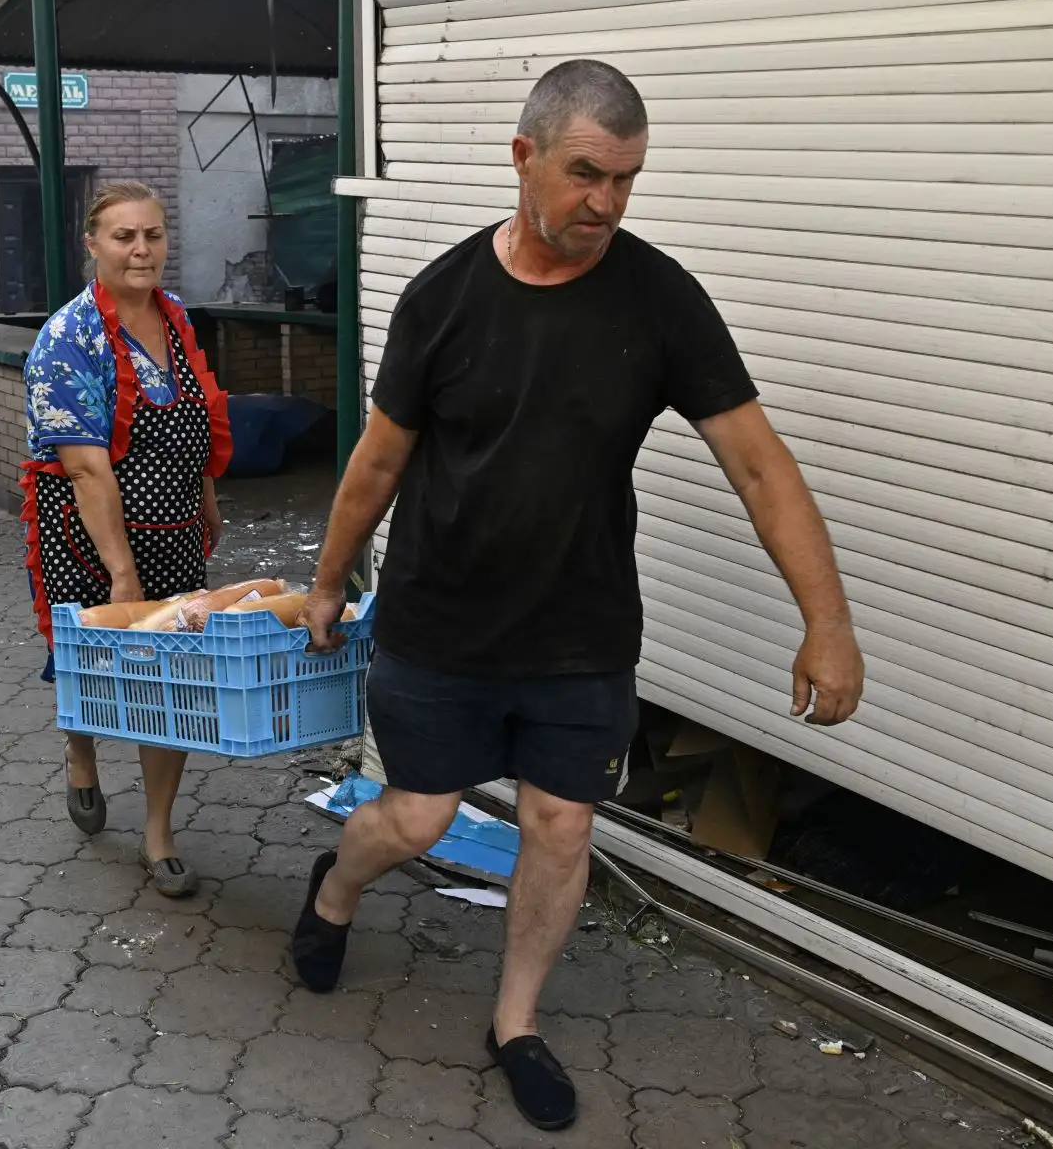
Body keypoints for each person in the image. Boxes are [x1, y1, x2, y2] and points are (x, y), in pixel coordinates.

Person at [291, 60, 866, 1131]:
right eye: (586, 173)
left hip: (581, 633)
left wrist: (826, 623)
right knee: (415, 818)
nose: (604, 203)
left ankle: (515, 1021)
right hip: (440, 620)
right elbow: (376, 464)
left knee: (559, 828)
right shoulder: (444, 298)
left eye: (627, 180)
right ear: (525, 157)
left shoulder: (659, 299)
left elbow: (759, 464)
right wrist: (328, 582)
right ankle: (336, 885)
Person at [20, 181, 232, 898]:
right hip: (87, 535)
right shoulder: (67, 338)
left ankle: (159, 833)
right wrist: (120, 572)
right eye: (123, 236)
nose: (142, 249)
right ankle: (81, 755)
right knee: (89, 667)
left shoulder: (175, 321)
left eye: (154, 235)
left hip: (173, 533)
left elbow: (193, 423)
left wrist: (205, 500)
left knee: (170, 680)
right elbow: (85, 468)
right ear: (93, 244)